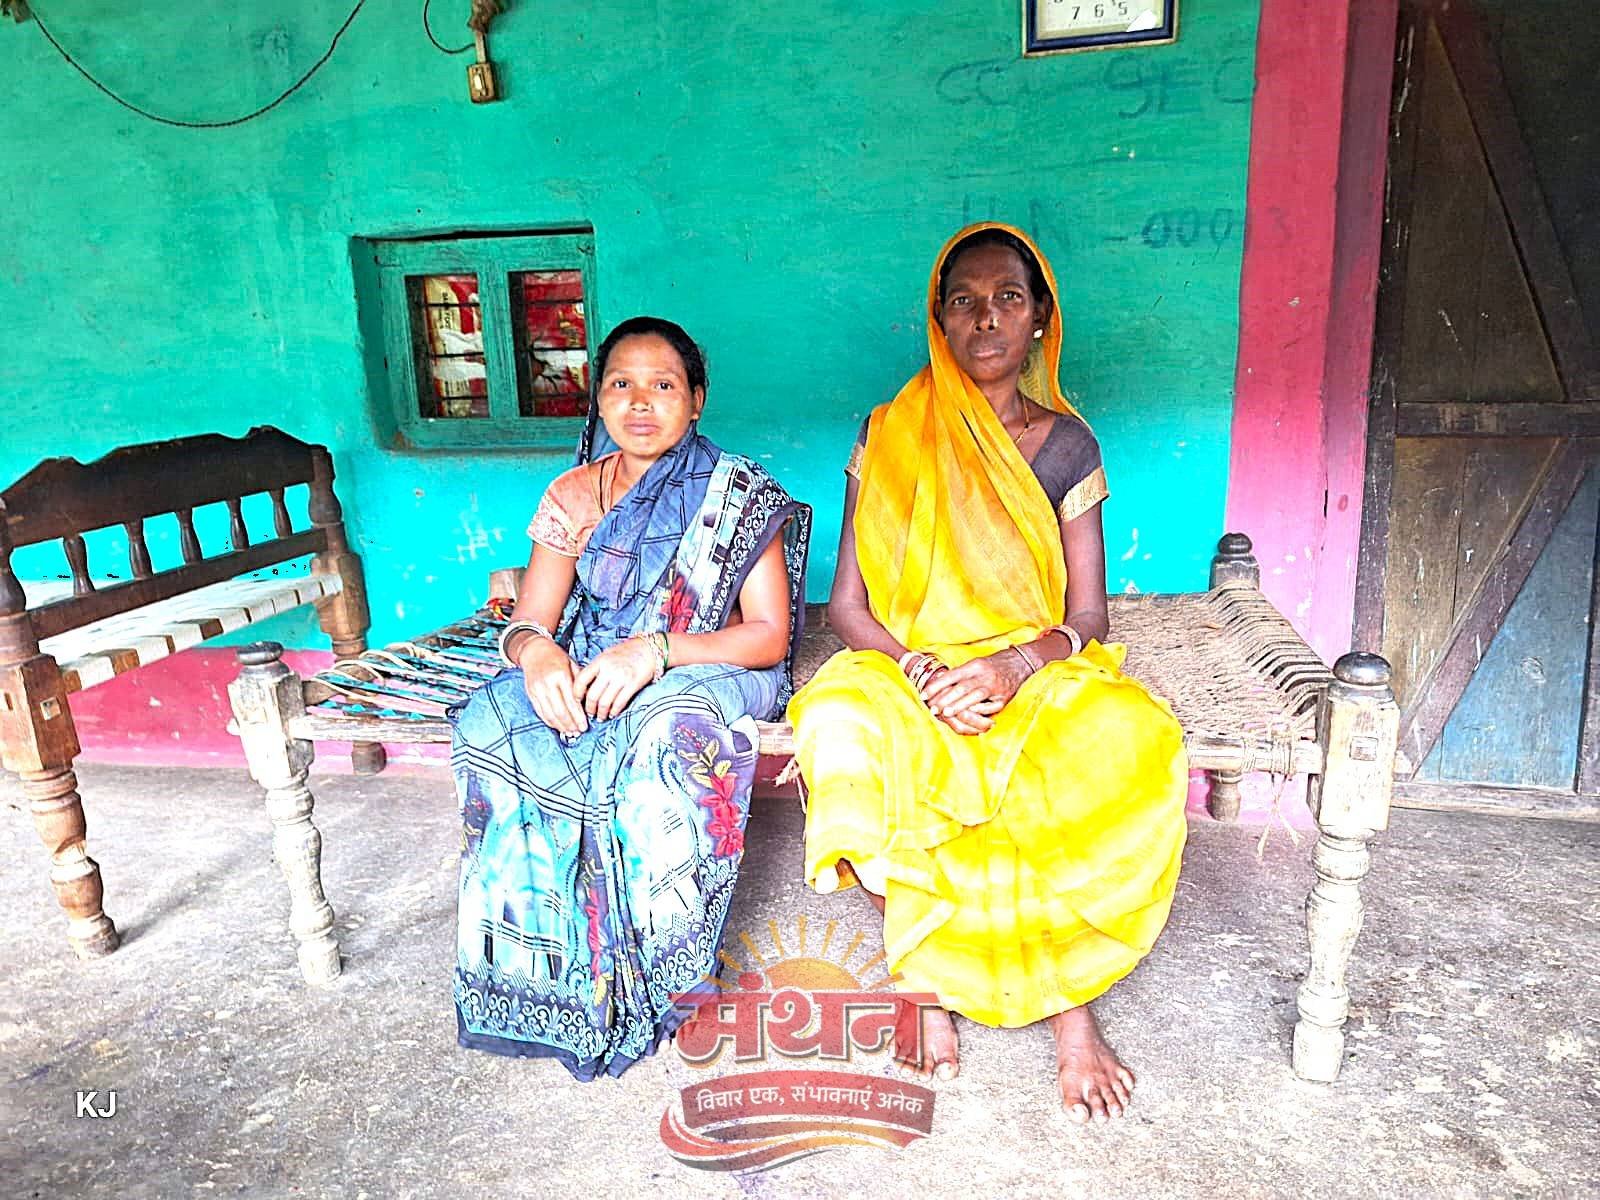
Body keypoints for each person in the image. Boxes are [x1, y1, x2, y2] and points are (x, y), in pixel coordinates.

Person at [786, 223, 1188, 1123]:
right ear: (939, 320)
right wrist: (923, 673)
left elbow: (1088, 618)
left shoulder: (1068, 444)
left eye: (1008, 298)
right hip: (909, 665)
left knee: (1119, 740)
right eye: (963, 301)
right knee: (841, 730)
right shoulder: (889, 432)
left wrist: (1011, 667)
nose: (987, 318)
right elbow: (848, 607)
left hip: (1029, 663)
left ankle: (1071, 1011)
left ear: (1040, 317)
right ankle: (925, 981)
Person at [451, 316, 809, 1080]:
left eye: (663, 385)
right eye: (621, 383)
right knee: (492, 722)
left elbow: (768, 636)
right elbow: (530, 623)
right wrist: (538, 655)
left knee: (661, 736)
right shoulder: (573, 495)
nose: (640, 402)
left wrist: (656, 652)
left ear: (697, 400)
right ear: (599, 399)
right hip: (601, 658)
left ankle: (674, 975)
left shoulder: (738, 495)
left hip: (708, 660)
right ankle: (541, 975)